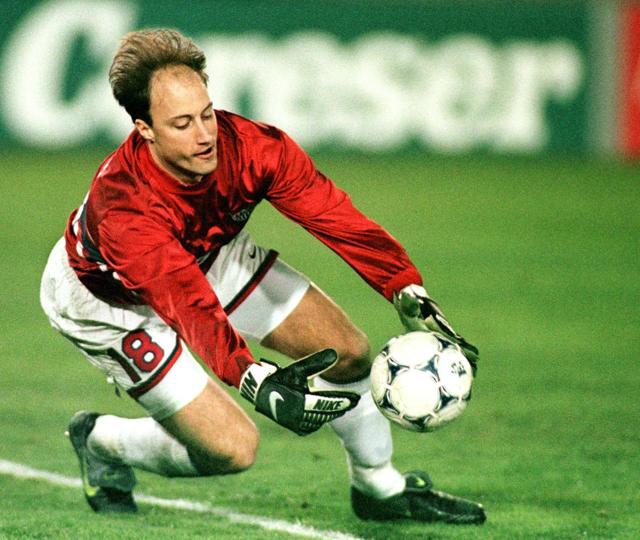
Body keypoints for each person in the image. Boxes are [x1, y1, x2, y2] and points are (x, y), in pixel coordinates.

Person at [40, 28, 485, 525]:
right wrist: (250, 375)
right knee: (233, 449)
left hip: (210, 257)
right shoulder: (125, 211)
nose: (205, 134)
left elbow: (332, 214)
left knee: (348, 351)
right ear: (144, 129)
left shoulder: (251, 148)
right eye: (182, 124)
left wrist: (403, 285)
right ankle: (102, 440)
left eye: (206, 113)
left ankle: (378, 487)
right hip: (115, 306)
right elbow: (185, 303)